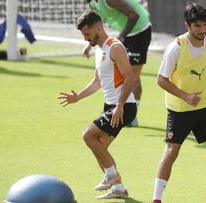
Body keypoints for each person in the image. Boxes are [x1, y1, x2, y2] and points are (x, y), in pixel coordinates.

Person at [152, 3, 206, 203]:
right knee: (172, 152)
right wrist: (185, 96)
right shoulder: (175, 48)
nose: (202, 30)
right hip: (180, 109)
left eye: (205, 24)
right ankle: (156, 199)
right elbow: (161, 80)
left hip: (205, 106)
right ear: (187, 25)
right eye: (197, 26)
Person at [58, 10, 136, 199]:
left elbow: (130, 78)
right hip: (111, 106)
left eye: (87, 34)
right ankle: (118, 188)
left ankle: (111, 176)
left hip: (124, 106)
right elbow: (97, 82)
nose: (85, 39)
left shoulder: (115, 47)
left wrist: (119, 106)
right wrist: (78, 97)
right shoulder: (99, 49)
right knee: (99, 147)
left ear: (99, 28)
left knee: (88, 135)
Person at [84, 0, 152, 127]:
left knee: (133, 76)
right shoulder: (92, 3)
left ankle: (132, 115)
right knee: (118, 72)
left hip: (139, 32)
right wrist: (89, 44)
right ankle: (114, 109)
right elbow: (95, 26)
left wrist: (121, 36)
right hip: (126, 33)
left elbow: (134, 16)